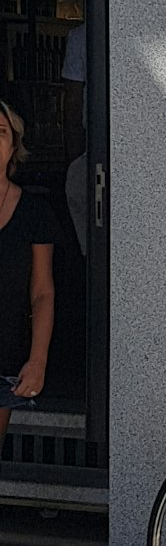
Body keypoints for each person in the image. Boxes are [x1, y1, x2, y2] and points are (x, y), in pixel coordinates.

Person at [0, 101, 58, 453]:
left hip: (5, 354)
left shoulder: (34, 211)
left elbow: (42, 293)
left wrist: (38, 361)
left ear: (13, 146)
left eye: (1, 133)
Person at [61, 21, 86, 254]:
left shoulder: (80, 37)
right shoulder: (80, 37)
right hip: (90, 147)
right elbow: (72, 102)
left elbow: (72, 101)